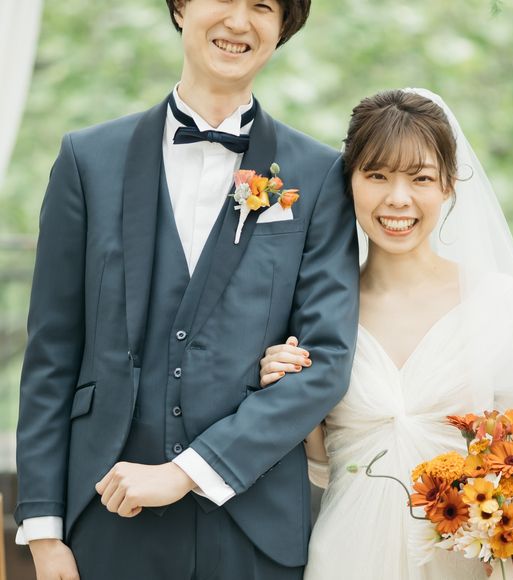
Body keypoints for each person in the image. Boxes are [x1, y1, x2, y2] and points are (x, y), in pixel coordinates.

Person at [14, 1, 359, 579]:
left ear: (283, 26)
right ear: (180, 6)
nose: (238, 22)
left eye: (262, 5)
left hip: (254, 523)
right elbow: (52, 353)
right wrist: (45, 533)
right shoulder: (86, 160)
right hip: (107, 513)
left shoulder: (320, 175)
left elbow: (325, 359)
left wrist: (189, 471)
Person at [259, 88, 513, 580]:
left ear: (449, 185)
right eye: (377, 175)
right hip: (347, 554)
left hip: (467, 564)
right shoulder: (314, 311)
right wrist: (284, 388)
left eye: (420, 178)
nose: (398, 198)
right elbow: (320, 473)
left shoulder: (499, 304)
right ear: (349, 181)